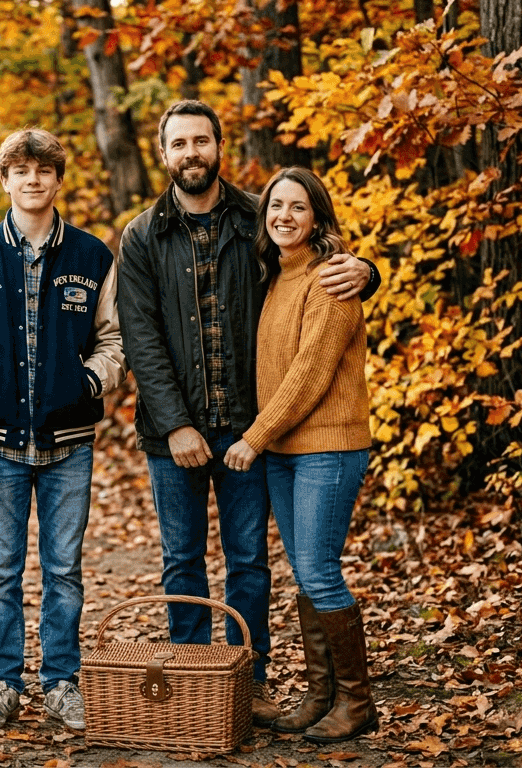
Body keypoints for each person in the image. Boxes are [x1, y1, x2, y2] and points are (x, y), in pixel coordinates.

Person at [116, 99, 379, 725]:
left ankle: (249, 679)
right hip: (173, 432)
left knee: (248, 562)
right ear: (163, 153)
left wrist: (368, 271)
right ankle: (186, 680)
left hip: (247, 428)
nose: (191, 153)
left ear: (218, 146)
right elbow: (140, 336)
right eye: (179, 144)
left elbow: (313, 267)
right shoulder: (141, 235)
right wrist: (177, 423)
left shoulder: (253, 220)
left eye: (201, 141)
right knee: (181, 559)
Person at [0, 128, 125, 731]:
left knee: (64, 568)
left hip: (69, 444)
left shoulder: (93, 256)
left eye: (44, 170)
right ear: (6, 181)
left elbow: (114, 339)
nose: (33, 180)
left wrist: (88, 382)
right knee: (1, 569)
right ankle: (2, 682)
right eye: (21, 170)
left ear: (58, 179)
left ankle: (62, 683)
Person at [222, 166, 377, 743]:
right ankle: (321, 695)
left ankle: (357, 703)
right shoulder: (278, 276)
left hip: (328, 448)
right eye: (275, 207)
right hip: (288, 450)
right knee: (307, 573)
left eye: (297, 207)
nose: (284, 216)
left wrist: (253, 437)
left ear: (318, 217)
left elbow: (310, 374)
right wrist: (269, 441)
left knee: (318, 571)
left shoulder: (331, 280)